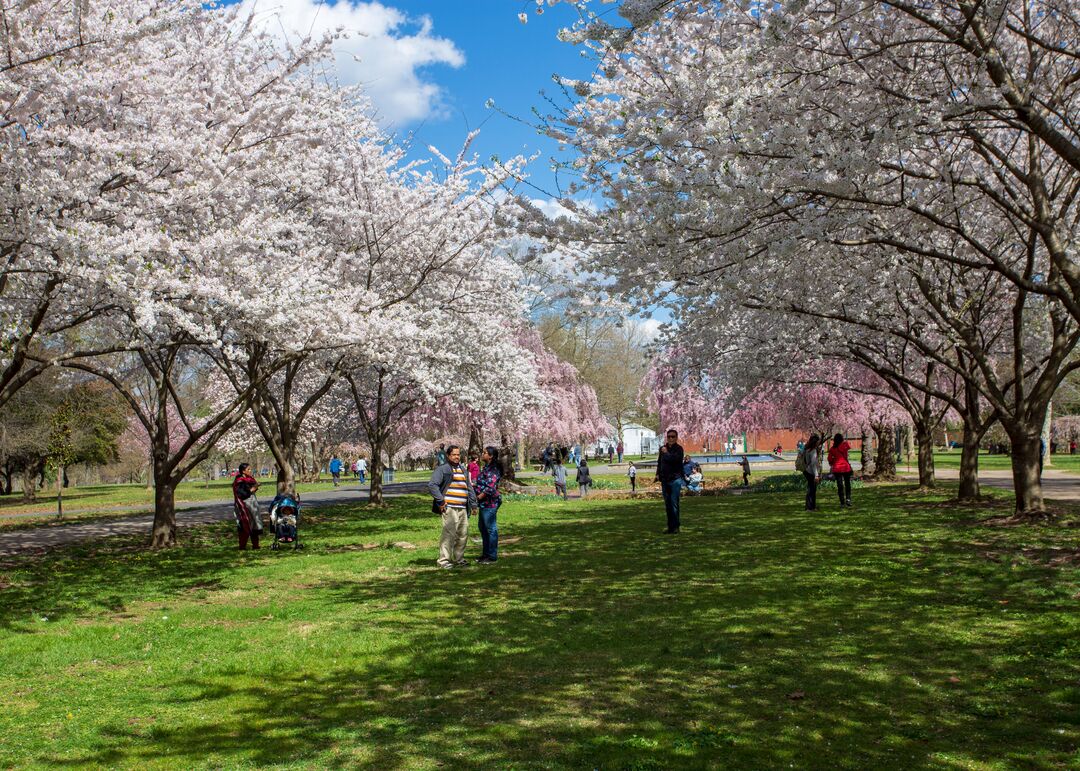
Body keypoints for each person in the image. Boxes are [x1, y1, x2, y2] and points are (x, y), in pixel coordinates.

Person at [428, 444, 477, 569]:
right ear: (448, 456)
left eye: (458, 454)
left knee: (463, 533)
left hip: (463, 508)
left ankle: (459, 559)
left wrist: (473, 504)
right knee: (449, 534)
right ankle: (444, 561)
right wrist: (441, 501)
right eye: (454, 454)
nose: (456, 457)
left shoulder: (463, 470)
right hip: (449, 507)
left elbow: (469, 488)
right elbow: (432, 485)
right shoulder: (443, 469)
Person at [474, 446, 502, 564]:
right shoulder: (486, 468)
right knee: (483, 528)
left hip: (490, 504)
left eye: (485, 453)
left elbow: (490, 487)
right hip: (483, 504)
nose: (482, 454)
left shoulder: (493, 469)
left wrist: (478, 498)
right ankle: (485, 554)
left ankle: (492, 556)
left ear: (490, 456)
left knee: (491, 529)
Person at [656, 428, 685, 534]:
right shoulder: (662, 448)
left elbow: (675, 460)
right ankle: (670, 527)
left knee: (674, 503)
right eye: (669, 437)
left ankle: (676, 526)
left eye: (673, 436)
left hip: (675, 479)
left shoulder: (679, 449)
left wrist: (666, 452)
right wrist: (657, 474)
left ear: (676, 438)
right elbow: (660, 462)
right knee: (667, 504)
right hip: (665, 479)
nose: (670, 438)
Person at [232, 463, 263, 550]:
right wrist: (253, 488)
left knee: (254, 524)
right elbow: (242, 494)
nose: (250, 471)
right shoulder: (239, 481)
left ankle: (256, 545)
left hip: (252, 504)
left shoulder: (250, 479)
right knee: (245, 524)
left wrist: (255, 487)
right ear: (243, 471)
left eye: (250, 469)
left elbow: (252, 490)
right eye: (248, 469)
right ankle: (242, 546)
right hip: (244, 506)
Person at [827, 433, 853, 507]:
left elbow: (829, 459)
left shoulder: (832, 449)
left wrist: (832, 462)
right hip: (845, 467)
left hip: (837, 468)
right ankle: (848, 499)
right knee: (847, 484)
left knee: (840, 485)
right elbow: (849, 446)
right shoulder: (845, 445)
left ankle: (842, 502)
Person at [800, 434, 823, 511]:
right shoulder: (813, 451)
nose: (819, 443)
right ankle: (810, 507)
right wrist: (816, 475)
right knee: (812, 490)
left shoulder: (806, 449)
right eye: (818, 441)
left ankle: (810, 507)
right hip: (811, 472)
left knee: (810, 489)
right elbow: (813, 464)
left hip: (806, 471)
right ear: (815, 442)